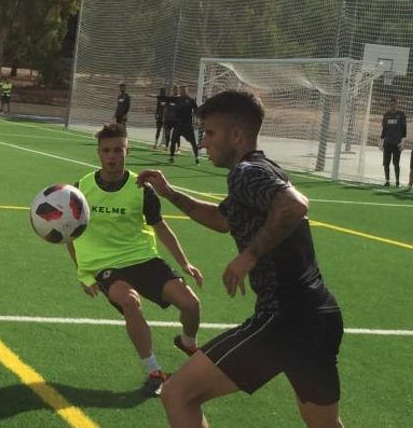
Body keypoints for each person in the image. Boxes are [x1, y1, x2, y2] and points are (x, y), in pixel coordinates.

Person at [139, 90, 344, 428]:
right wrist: (170, 193)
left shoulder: (245, 172)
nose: (203, 142)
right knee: (323, 422)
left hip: (285, 317)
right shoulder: (264, 169)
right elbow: (223, 220)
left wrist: (249, 255)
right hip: (319, 314)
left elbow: (295, 205)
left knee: (178, 393)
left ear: (236, 135)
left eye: (210, 133)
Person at [66, 123, 204, 397]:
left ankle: (188, 342)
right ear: (98, 153)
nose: (113, 156)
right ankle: (153, 370)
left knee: (191, 304)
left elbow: (160, 227)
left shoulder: (141, 187)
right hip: (105, 265)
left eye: (118, 149)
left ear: (127, 151)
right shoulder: (80, 189)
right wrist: (83, 274)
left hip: (142, 258)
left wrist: (185, 262)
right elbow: (70, 235)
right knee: (130, 302)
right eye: (107, 150)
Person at [169, 85, 199, 165]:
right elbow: (165, 99)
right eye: (181, 90)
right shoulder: (176, 99)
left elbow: (196, 110)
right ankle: (171, 157)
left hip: (187, 126)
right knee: (173, 141)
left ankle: (196, 158)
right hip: (178, 125)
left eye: (184, 90)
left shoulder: (190, 100)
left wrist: (196, 119)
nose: (182, 91)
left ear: (186, 91)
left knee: (193, 142)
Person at [380, 97, 406, 187]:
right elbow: (384, 129)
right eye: (391, 104)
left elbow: (404, 129)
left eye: (394, 104)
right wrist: (381, 141)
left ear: (397, 105)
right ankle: (387, 181)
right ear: (389, 105)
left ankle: (397, 182)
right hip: (387, 143)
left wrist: (403, 141)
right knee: (386, 163)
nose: (392, 106)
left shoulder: (401, 115)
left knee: (396, 163)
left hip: (397, 143)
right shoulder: (386, 115)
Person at [162, 84, 179, 151]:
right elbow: (166, 108)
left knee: (177, 134)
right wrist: (164, 117)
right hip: (169, 119)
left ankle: (178, 148)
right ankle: (167, 146)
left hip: (177, 119)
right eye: (174, 89)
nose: (176, 90)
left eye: (177, 89)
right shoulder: (170, 98)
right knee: (167, 133)